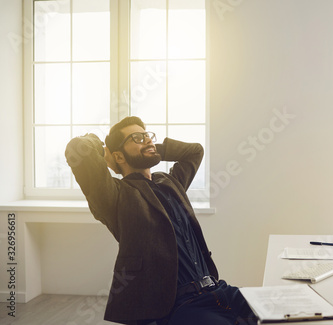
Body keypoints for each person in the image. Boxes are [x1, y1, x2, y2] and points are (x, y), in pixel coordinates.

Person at [65, 116, 257, 325]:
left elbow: (195, 151)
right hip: (179, 306)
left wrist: (152, 149)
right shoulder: (116, 196)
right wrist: (102, 147)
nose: (147, 140)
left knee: (279, 308)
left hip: (217, 291)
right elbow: (77, 150)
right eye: (136, 138)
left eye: (147, 135)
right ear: (118, 156)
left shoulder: (170, 182)